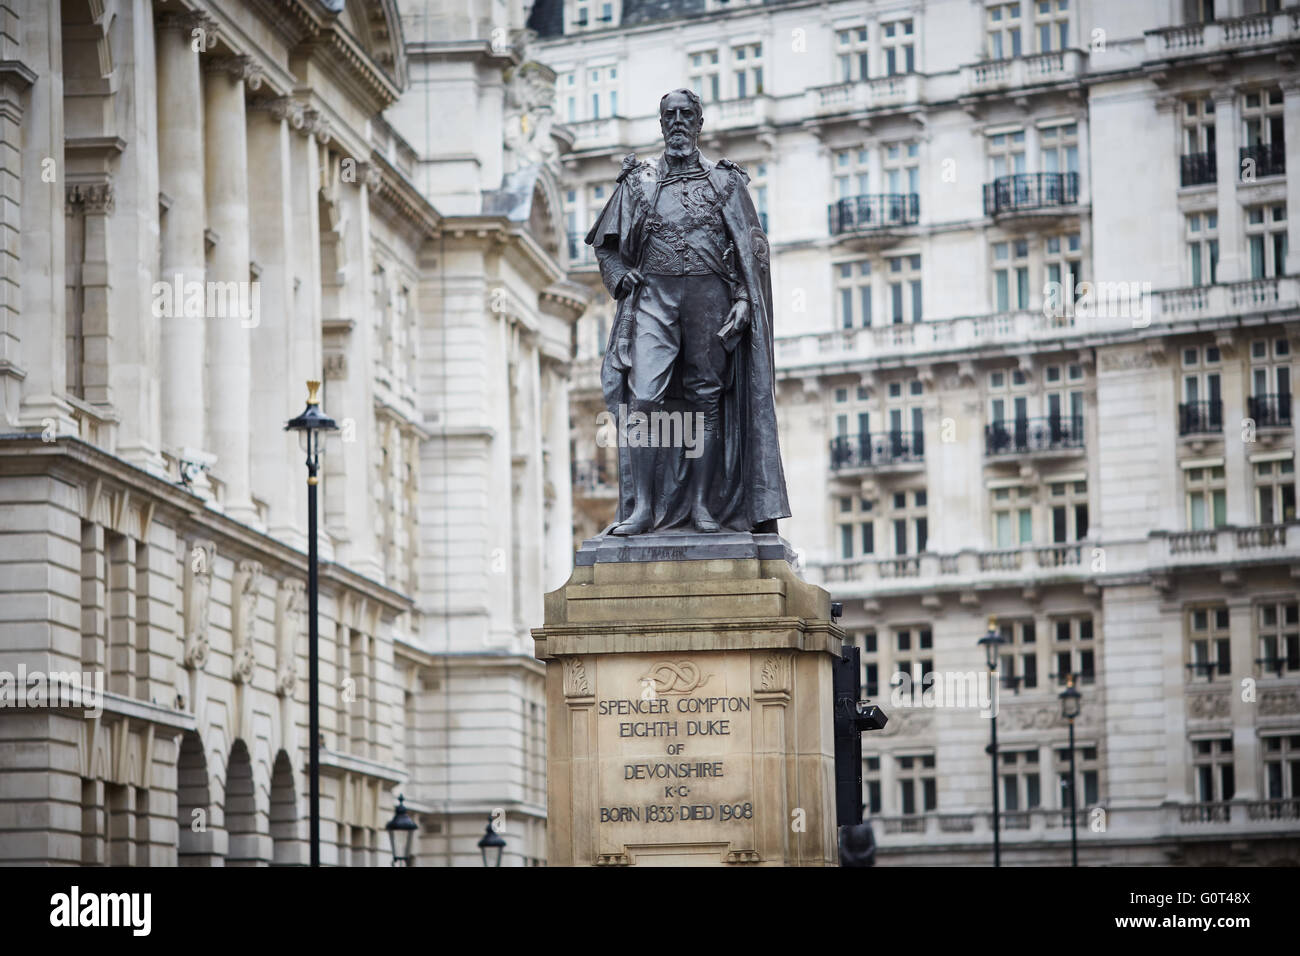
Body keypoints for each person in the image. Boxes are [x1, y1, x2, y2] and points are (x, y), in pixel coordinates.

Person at [586, 88, 790, 535]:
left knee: (706, 401)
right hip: (654, 298)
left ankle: (702, 505)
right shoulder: (637, 182)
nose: (677, 122)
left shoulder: (726, 182)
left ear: (699, 123)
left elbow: (749, 253)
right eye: (669, 115)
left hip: (710, 299)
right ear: (661, 124)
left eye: (686, 115)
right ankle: (643, 508)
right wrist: (620, 276)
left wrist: (742, 300)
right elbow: (606, 246)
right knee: (643, 400)